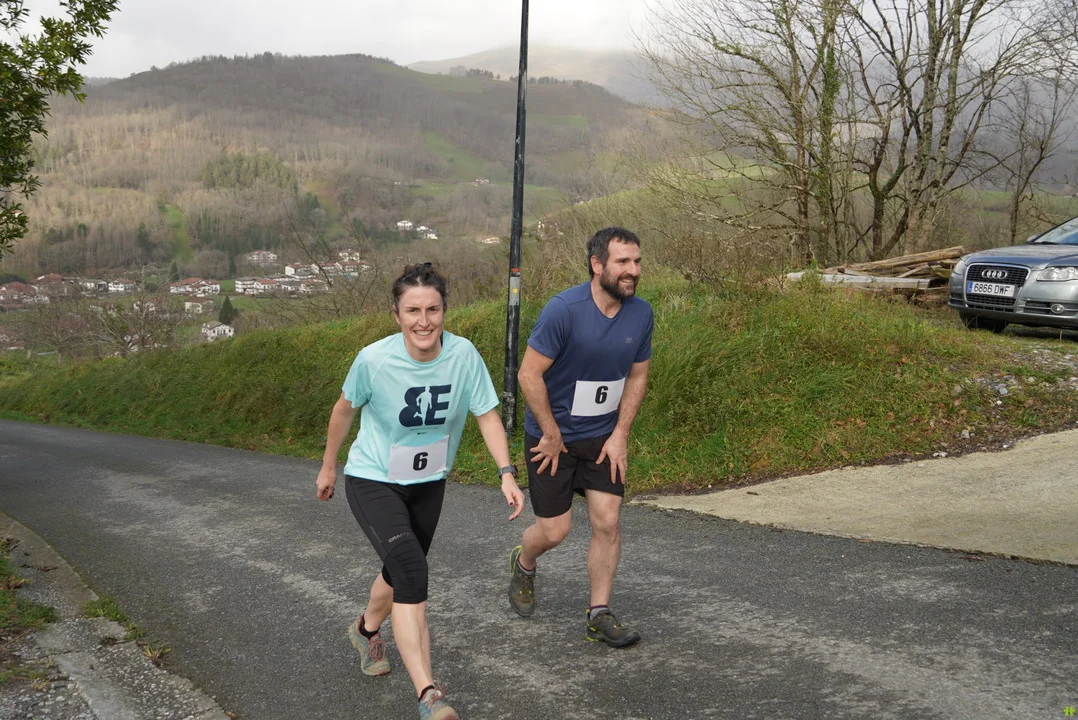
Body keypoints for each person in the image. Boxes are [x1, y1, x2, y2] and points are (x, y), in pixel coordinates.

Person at [317, 263, 524, 720]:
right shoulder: (374, 359)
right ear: (396, 314)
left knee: (399, 570)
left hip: (428, 482)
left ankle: (366, 630)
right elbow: (343, 412)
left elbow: (487, 415)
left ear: (445, 310)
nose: (424, 321)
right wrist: (329, 466)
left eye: (433, 309)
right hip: (373, 478)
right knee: (412, 570)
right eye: (413, 311)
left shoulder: (464, 355)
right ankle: (429, 694)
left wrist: (506, 473)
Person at [507, 226, 652, 648]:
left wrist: (620, 434)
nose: (632, 270)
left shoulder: (641, 313)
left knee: (608, 520)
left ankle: (598, 614)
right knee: (554, 531)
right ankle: (525, 561)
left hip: (602, 437)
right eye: (622, 262)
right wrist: (551, 433)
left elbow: (637, 376)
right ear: (597, 264)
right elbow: (528, 374)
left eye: (637, 262)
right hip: (553, 438)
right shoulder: (564, 310)